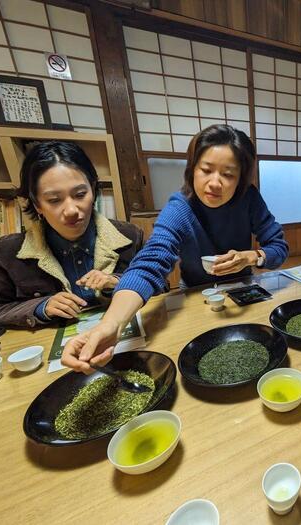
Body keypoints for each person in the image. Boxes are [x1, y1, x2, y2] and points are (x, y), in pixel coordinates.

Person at [61, 124, 289, 372]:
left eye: (228, 174)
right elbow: (149, 264)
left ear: (241, 179)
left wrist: (252, 256)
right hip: (195, 294)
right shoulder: (180, 208)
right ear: (192, 170)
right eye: (206, 170)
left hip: (244, 293)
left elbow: (278, 247)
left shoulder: (249, 199)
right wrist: (111, 324)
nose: (215, 183)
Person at [0, 141, 143, 329]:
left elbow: (160, 287)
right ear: (37, 204)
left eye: (80, 194)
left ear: (93, 190)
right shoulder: (6, 252)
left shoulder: (128, 235)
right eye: (54, 200)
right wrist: (41, 307)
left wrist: (118, 282)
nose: (71, 210)